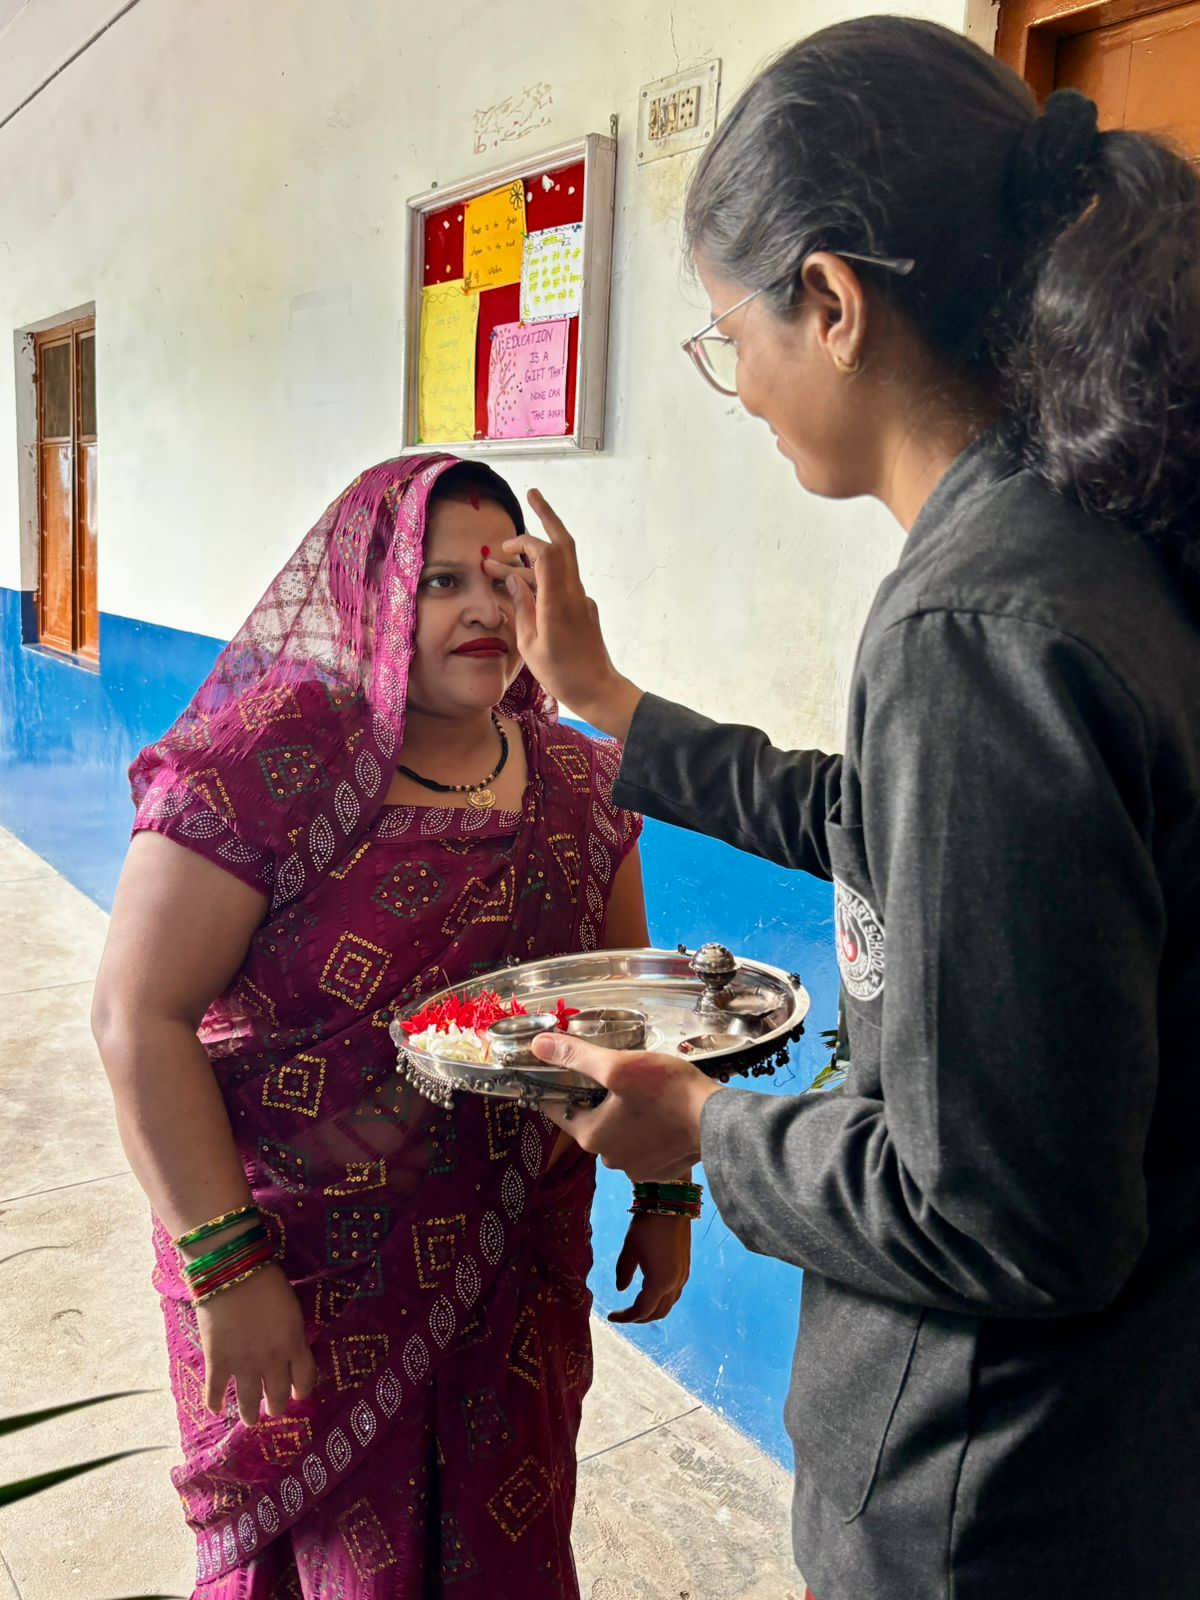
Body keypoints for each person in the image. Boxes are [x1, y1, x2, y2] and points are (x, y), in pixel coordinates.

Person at [482, 18, 1200, 1600]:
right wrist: (611, 701)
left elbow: (1008, 1219)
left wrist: (704, 1134)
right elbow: (892, 824)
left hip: (988, 1494)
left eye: (727, 333)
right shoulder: (1103, 525)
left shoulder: (977, 627)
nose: (733, 383)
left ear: (832, 301)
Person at [91, 454, 692, 1599]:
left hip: (513, 1272)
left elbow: (628, 1001)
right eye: (437, 577)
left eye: (507, 575)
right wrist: (228, 1271)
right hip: (300, 1280)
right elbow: (138, 1016)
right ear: (370, 588)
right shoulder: (262, 770)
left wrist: (668, 1193)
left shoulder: (582, 781)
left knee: (498, 1550)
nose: (481, 608)